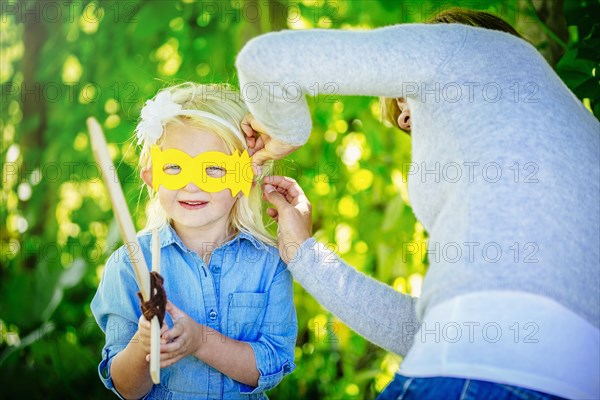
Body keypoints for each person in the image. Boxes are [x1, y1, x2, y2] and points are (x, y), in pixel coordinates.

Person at [235, 8, 599, 400]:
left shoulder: (462, 46)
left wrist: (285, 133)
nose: (405, 117)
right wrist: (304, 255)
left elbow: (265, 61)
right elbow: (437, 334)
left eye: (404, 103)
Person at [91, 83, 297, 399]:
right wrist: (143, 345)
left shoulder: (269, 263)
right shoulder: (129, 264)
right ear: (152, 177)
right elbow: (125, 388)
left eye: (213, 168)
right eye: (174, 167)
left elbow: (274, 363)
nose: (190, 184)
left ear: (245, 178)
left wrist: (201, 341)